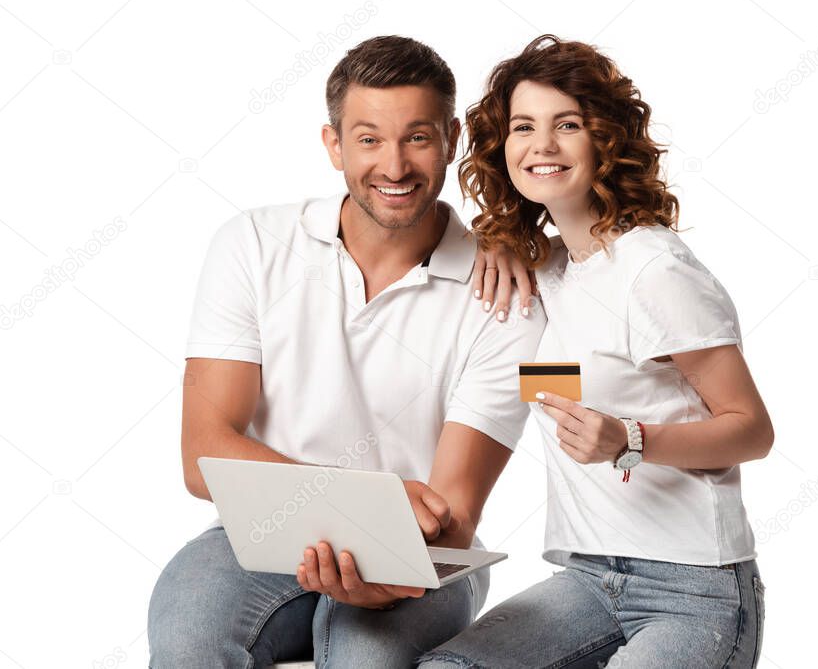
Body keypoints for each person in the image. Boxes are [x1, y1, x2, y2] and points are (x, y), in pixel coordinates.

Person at [146, 35, 545, 668]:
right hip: (260, 535)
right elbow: (203, 458)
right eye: (368, 139)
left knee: (366, 655)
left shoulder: (505, 294)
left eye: (417, 137)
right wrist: (353, 501)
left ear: (451, 141)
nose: (393, 166)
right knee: (189, 636)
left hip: (423, 558)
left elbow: (455, 518)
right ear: (333, 145)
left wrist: (387, 564)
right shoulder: (251, 244)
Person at [419, 35, 773, 668]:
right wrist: (495, 238)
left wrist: (631, 439)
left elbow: (752, 430)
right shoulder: (550, 269)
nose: (542, 145)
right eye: (523, 127)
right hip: (586, 578)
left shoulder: (654, 271)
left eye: (568, 125)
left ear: (605, 140)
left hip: (694, 587)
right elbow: (432, 231)